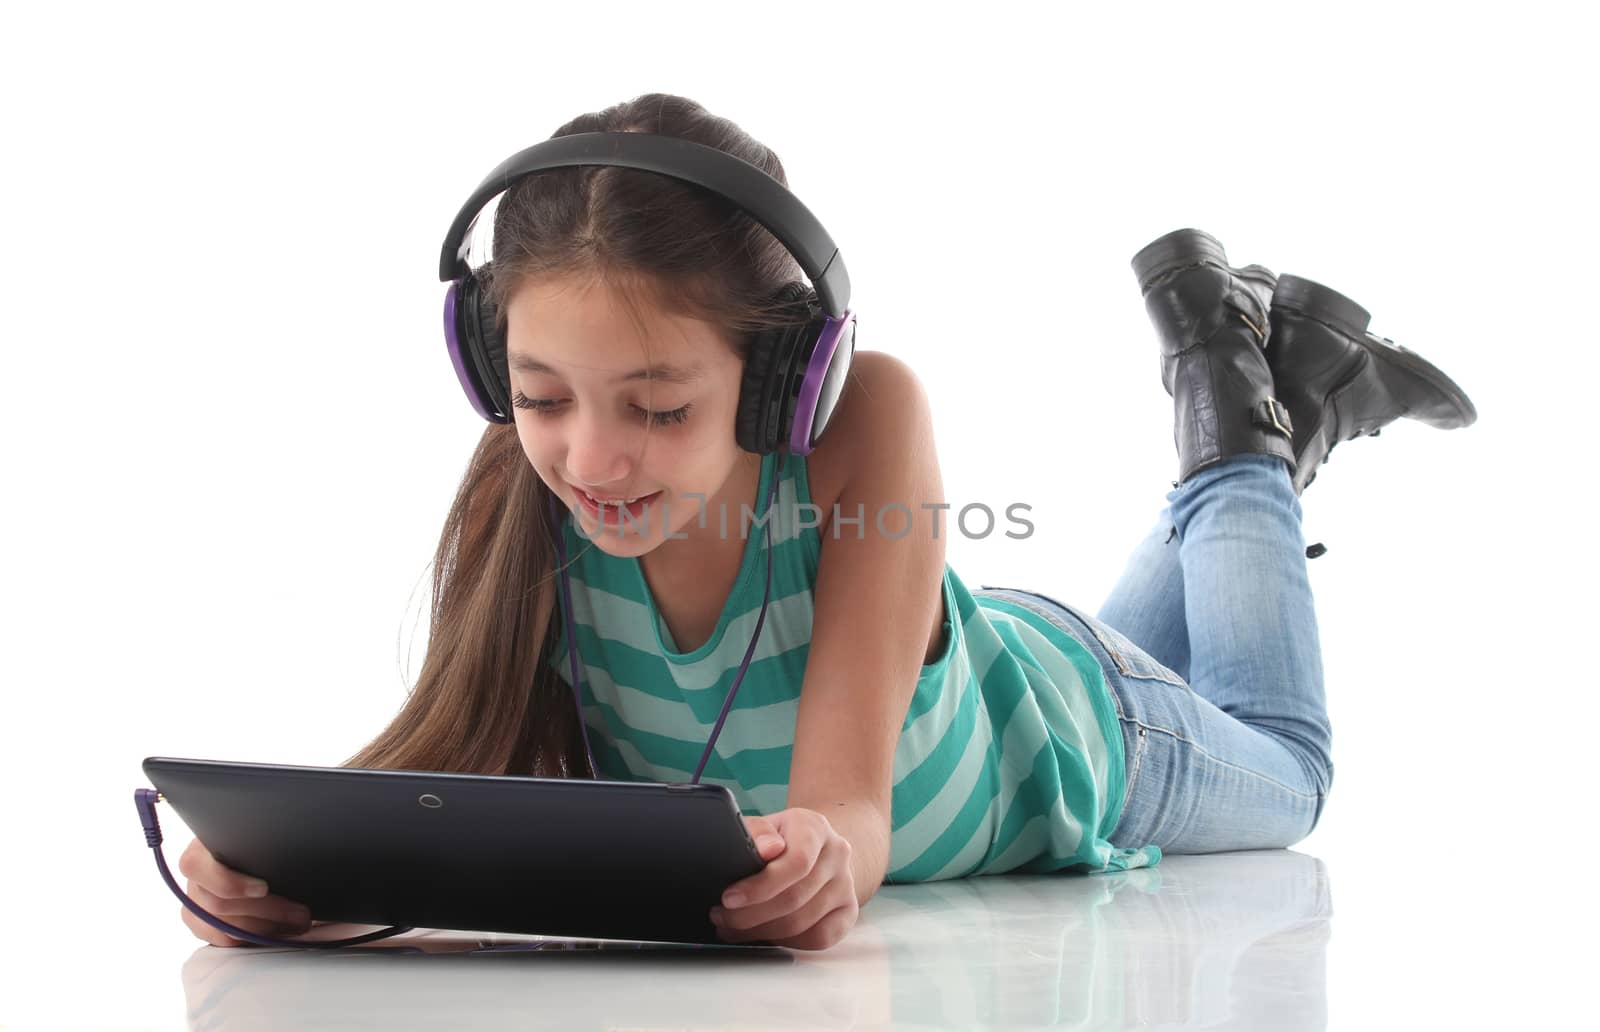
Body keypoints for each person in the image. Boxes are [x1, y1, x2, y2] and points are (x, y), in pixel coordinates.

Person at [176, 93, 1477, 952]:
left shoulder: (865, 422)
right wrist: (297, 874)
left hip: (1078, 738)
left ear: (785, 378)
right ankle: (1286, 385)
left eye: (660, 407)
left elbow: (846, 814)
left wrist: (819, 864)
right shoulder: (522, 490)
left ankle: (1237, 414)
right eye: (539, 396)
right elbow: (450, 777)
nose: (589, 453)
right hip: (977, 672)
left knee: (1292, 771)